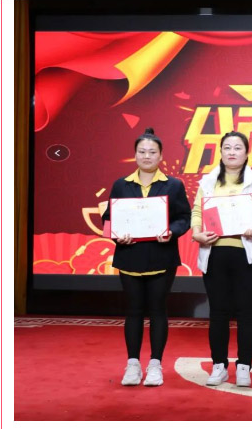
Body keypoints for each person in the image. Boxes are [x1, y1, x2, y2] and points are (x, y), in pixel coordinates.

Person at [102, 128, 191, 387]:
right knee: (133, 311)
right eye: (142, 151)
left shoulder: (173, 185)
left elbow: (184, 218)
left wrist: (171, 231)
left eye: (152, 152)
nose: (147, 156)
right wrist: (117, 236)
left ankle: (155, 364)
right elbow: (108, 219)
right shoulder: (121, 184)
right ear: (135, 155)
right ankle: (132, 364)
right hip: (129, 256)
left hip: (161, 257)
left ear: (161, 156)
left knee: (158, 310)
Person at [191, 131, 252, 388]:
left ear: (247, 153)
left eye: (238, 148)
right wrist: (197, 233)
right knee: (218, 312)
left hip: (245, 253)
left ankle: (244, 366)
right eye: (227, 147)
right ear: (221, 152)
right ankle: (219, 365)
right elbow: (197, 211)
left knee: (246, 312)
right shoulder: (208, 182)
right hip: (215, 253)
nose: (232, 152)